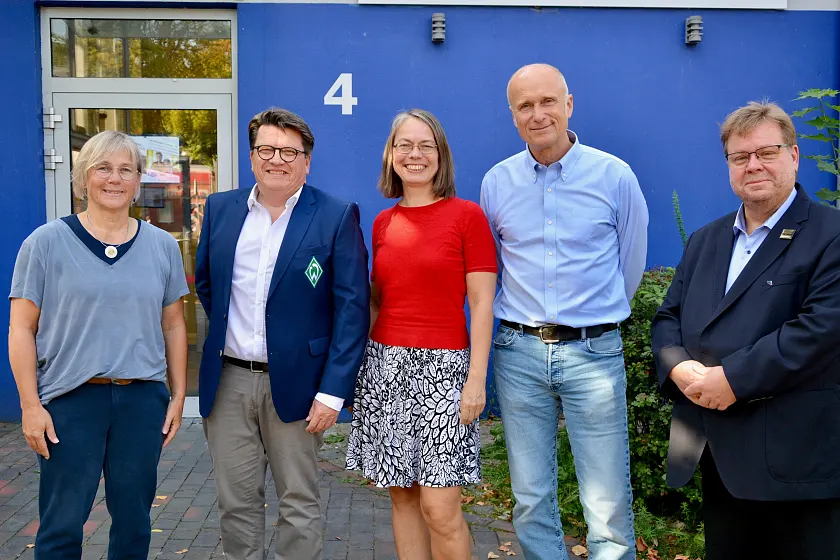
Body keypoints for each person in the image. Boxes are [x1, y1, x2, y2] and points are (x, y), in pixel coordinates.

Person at [651, 101, 840, 559]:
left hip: (796, 462)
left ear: (794, 156)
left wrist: (731, 379)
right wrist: (678, 369)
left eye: (766, 152)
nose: (752, 165)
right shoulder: (706, 240)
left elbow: (818, 329)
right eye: (740, 157)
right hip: (718, 451)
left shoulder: (831, 233)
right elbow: (667, 319)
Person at [480, 63, 648, 560]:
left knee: (607, 503)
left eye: (547, 101)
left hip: (594, 352)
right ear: (513, 115)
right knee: (531, 500)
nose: (538, 114)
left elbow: (630, 265)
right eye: (525, 106)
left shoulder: (614, 176)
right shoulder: (497, 183)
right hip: (518, 353)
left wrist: (595, 317)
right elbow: (493, 268)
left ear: (569, 104)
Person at [195, 107, 370, 560]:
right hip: (229, 381)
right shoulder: (220, 208)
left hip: (300, 385)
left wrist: (333, 392)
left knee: (299, 502)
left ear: (307, 161)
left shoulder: (334, 215)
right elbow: (208, 286)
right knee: (236, 503)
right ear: (252, 157)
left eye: (290, 152)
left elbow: (351, 310)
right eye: (267, 149)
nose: (278, 159)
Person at [8, 130, 188, 560]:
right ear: (83, 178)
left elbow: (174, 325)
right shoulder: (45, 243)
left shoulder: (162, 246)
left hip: (141, 401)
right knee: (62, 523)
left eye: (126, 169)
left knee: (133, 524)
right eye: (103, 168)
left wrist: (178, 394)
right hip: (69, 402)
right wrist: (30, 406)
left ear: (138, 180)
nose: (115, 178)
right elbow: (21, 330)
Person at [346, 109, 497, 560]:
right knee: (402, 497)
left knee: (441, 507)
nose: (415, 154)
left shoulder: (467, 216)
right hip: (386, 370)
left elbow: (482, 304)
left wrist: (476, 380)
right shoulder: (382, 223)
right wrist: (357, 375)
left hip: (445, 373)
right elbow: (376, 303)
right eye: (404, 145)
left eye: (425, 145)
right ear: (391, 155)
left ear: (441, 155)